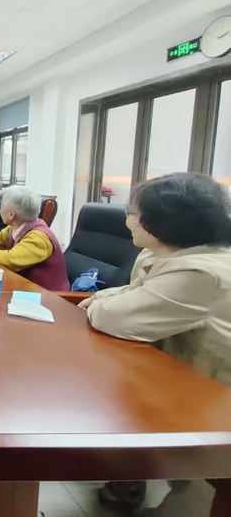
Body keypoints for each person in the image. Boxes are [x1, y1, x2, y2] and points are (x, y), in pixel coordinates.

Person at [77, 173, 231, 511]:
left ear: (161, 223)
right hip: (179, 371)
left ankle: (142, 474)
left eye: (132, 213)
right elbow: (133, 294)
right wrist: (105, 299)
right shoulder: (165, 254)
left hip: (215, 401)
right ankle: (131, 473)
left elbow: (115, 317)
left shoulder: (200, 272)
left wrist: (100, 303)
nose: (127, 220)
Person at [0, 185, 69, 291]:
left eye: (1, 206)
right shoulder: (14, 228)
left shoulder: (39, 238)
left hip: (47, 295)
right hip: (23, 287)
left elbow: (10, 260)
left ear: (11, 214)